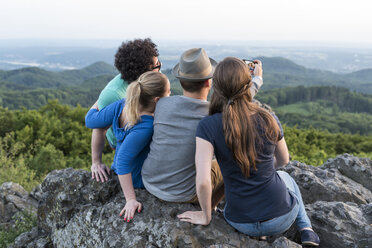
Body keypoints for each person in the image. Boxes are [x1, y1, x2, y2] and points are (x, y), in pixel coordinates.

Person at [177, 57, 320, 247]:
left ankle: (260, 235)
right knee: (285, 176)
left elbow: (203, 181)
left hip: (240, 222)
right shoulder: (268, 118)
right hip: (282, 217)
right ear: (247, 85)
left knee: (232, 182)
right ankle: (307, 230)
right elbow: (284, 159)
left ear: (215, 87)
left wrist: (205, 215)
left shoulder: (208, 126)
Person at [141, 48, 263, 209]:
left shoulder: (162, 104)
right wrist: (257, 79)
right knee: (237, 163)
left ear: (180, 80)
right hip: (184, 193)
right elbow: (239, 102)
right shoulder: (214, 115)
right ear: (209, 82)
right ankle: (211, 207)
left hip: (150, 181)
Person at [85, 71, 171, 221]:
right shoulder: (146, 126)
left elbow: (91, 121)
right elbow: (123, 161)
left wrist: (99, 100)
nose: (171, 94)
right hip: (137, 180)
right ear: (158, 100)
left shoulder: (122, 105)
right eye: (169, 92)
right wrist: (131, 199)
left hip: (120, 172)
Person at [91, 38, 161, 183]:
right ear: (143, 72)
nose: (160, 68)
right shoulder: (114, 95)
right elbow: (99, 126)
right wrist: (96, 162)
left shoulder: (145, 83)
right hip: (122, 137)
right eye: (156, 66)